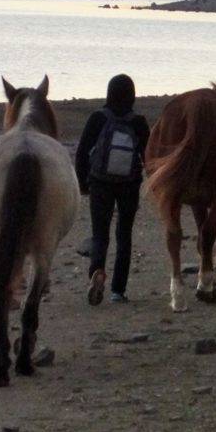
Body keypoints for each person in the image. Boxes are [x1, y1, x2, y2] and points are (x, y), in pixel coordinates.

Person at [75, 74, 150, 305]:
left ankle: (97, 271)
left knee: (100, 233)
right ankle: (118, 290)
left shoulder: (98, 117)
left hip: (100, 182)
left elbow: (82, 152)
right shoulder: (139, 122)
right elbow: (148, 157)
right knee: (124, 235)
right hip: (129, 184)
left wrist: (82, 184)